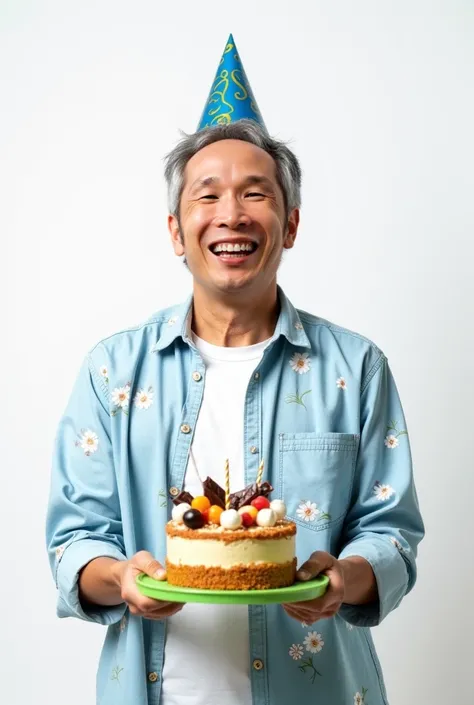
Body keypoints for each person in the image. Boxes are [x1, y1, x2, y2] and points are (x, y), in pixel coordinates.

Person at [46, 34, 424, 705]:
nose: (231, 214)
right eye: (207, 194)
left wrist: (345, 577)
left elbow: (391, 531)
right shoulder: (113, 372)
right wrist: (122, 577)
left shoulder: (356, 367)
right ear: (174, 228)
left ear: (292, 222)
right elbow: (75, 539)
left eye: (255, 193)